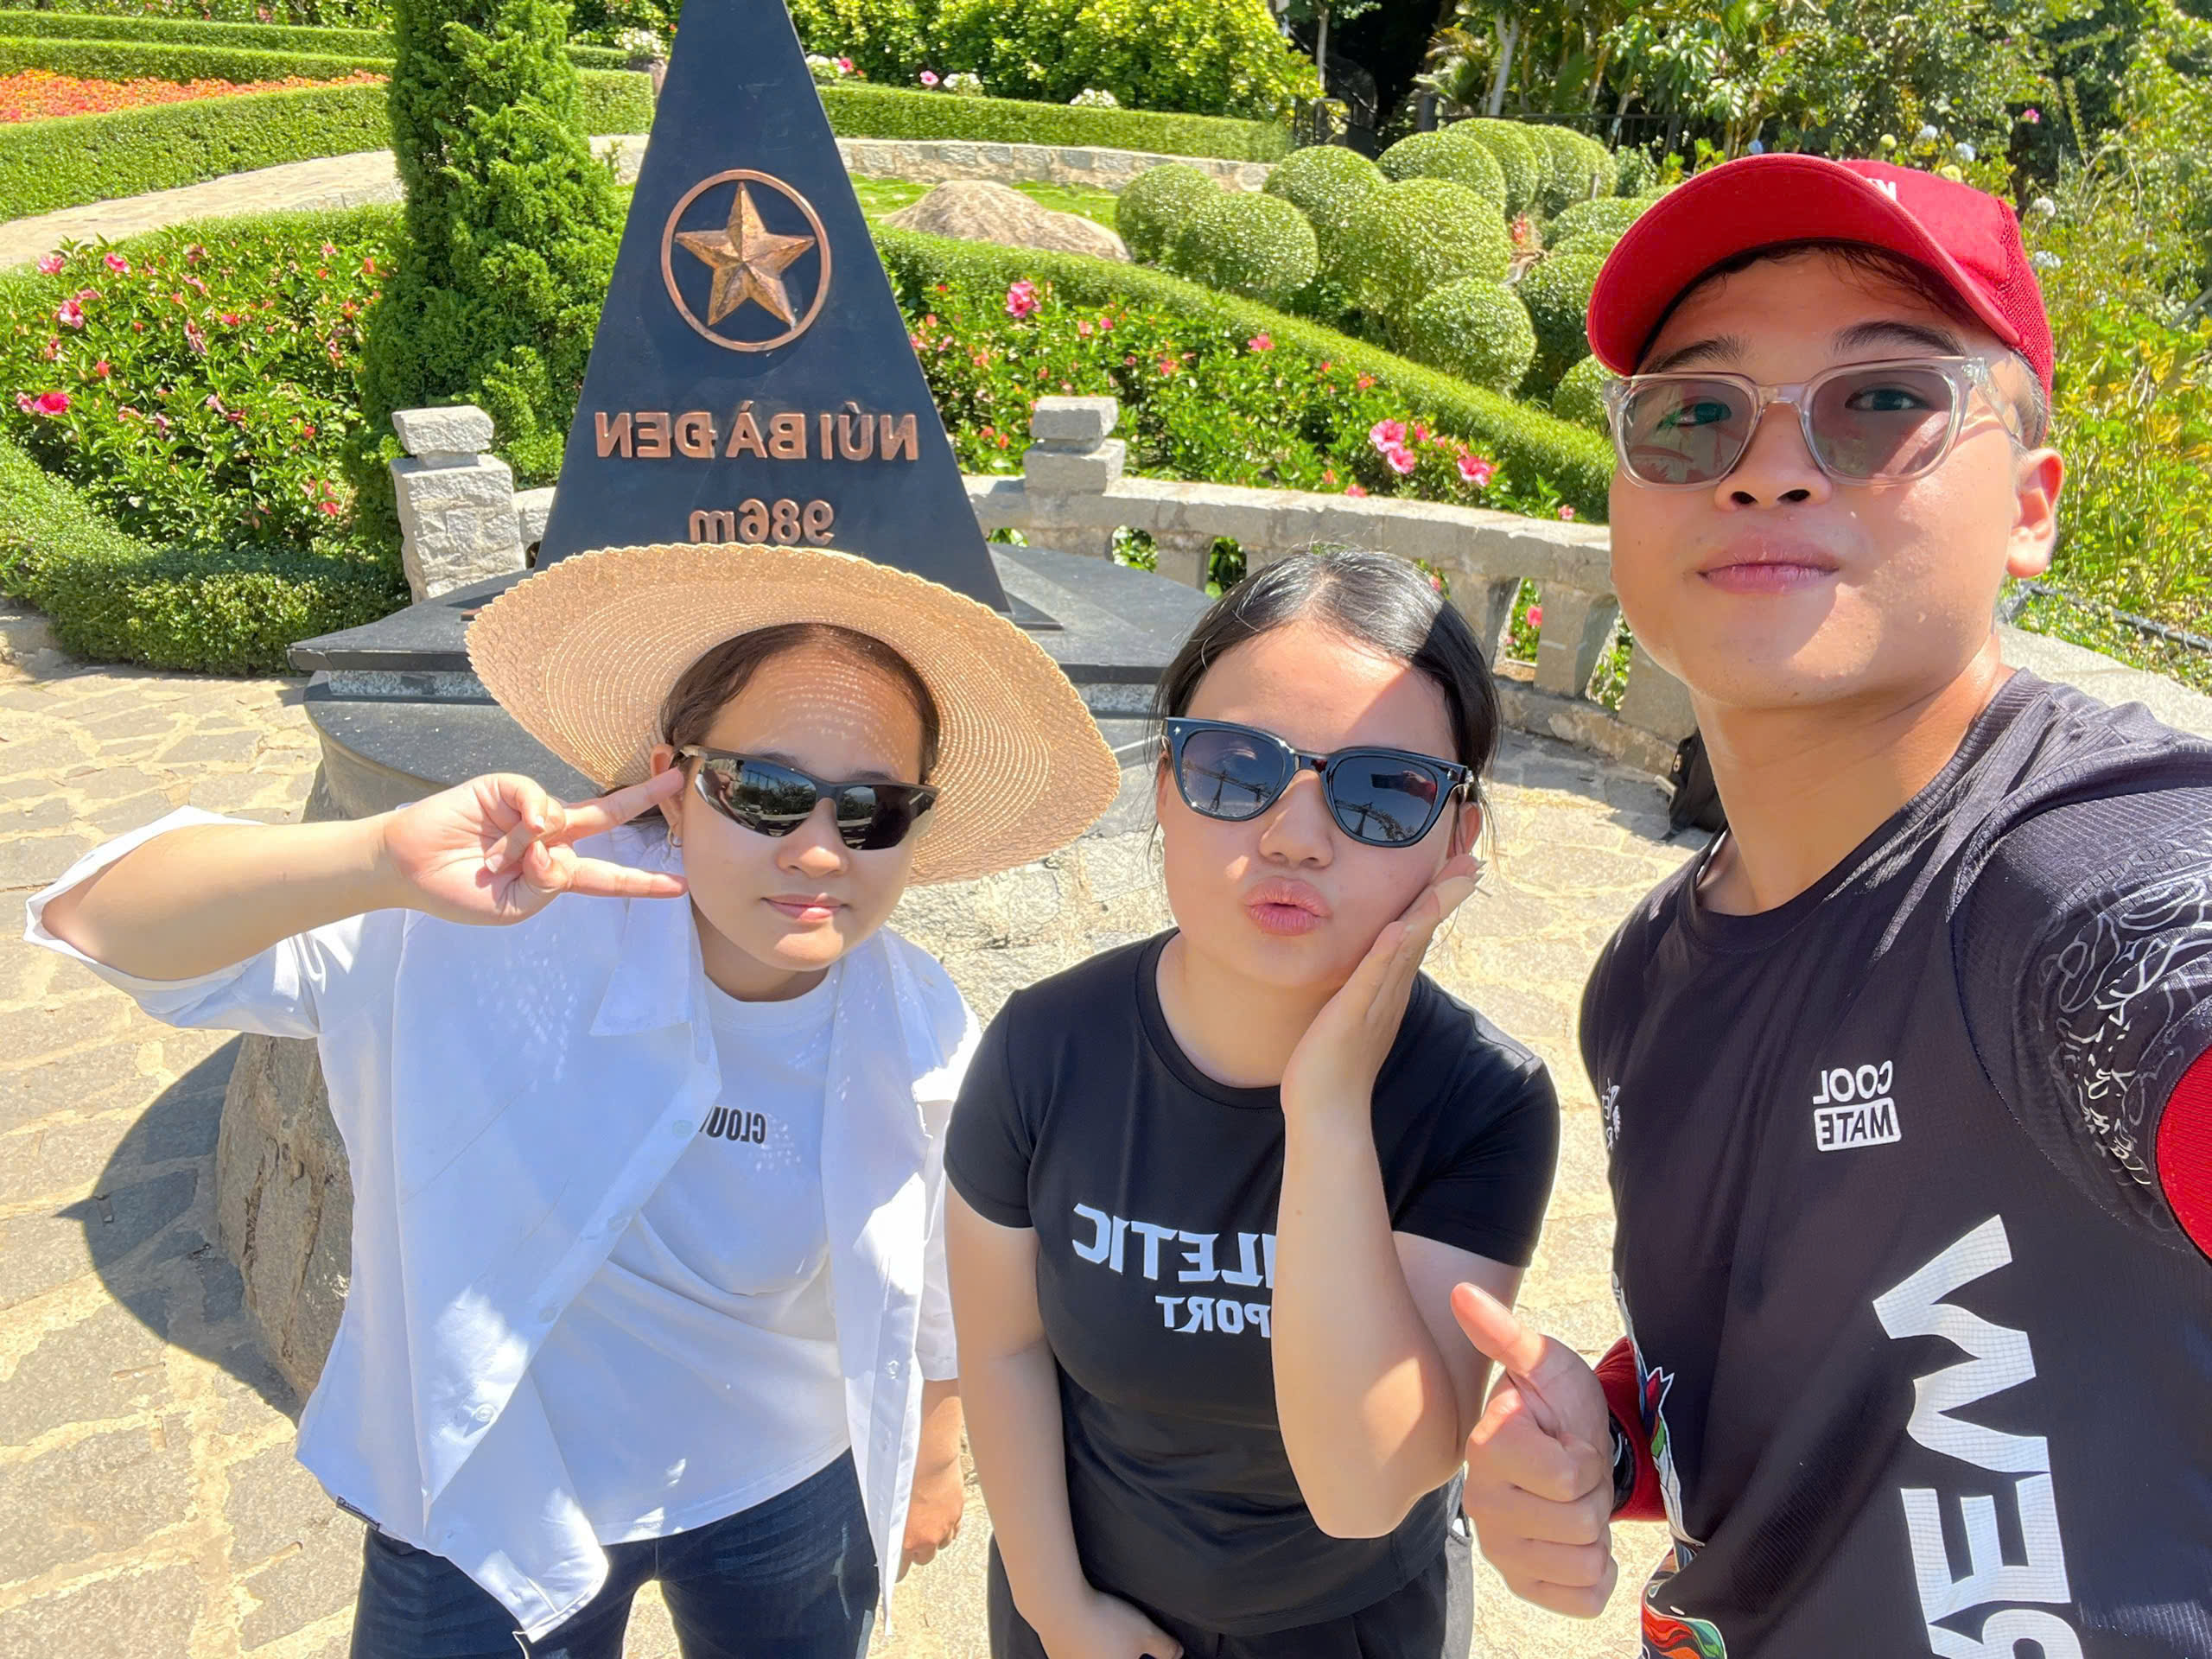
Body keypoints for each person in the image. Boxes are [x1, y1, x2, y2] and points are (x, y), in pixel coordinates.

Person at [26, 542, 1122, 1659]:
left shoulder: (917, 1022)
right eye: (766, 792)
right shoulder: (486, 935)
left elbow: (939, 1258)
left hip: (785, 1479)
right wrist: (374, 860)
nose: (816, 851)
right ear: (673, 782)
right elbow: (95, 921)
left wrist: (934, 1451)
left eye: (872, 811)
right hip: (489, 1498)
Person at [1452, 156, 2212, 1657]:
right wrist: (1613, 1441)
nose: (1768, 469)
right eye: (1694, 414)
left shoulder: (2080, 891)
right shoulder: (1646, 980)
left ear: (2032, 510)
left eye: (1880, 403)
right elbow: (1829, 1327)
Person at [945, 550, 1560, 1659]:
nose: (1294, 836)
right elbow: (1002, 1349)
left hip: (1353, 1624)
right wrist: (1055, 1607)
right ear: (1164, 787)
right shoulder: (1046, 1047)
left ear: (1457, 840)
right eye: (1235, 769)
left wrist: (1325, 1111)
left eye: (1383, 792)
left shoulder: (1483, 1100)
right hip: (1082, 1600)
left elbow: (1367, 1486)